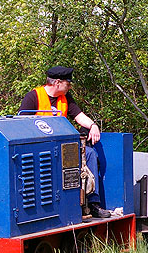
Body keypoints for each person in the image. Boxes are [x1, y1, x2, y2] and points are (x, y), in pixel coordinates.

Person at [18, 66, 111, 218]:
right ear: (58, 82)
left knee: (90, 154)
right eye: (68, 83)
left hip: (63, 147)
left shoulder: (66, 98)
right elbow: (21, 124)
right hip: (41, 148)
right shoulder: (33, 97)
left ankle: (93, 203)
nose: (70, 86)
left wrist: (93, 126)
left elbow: (79, 116)